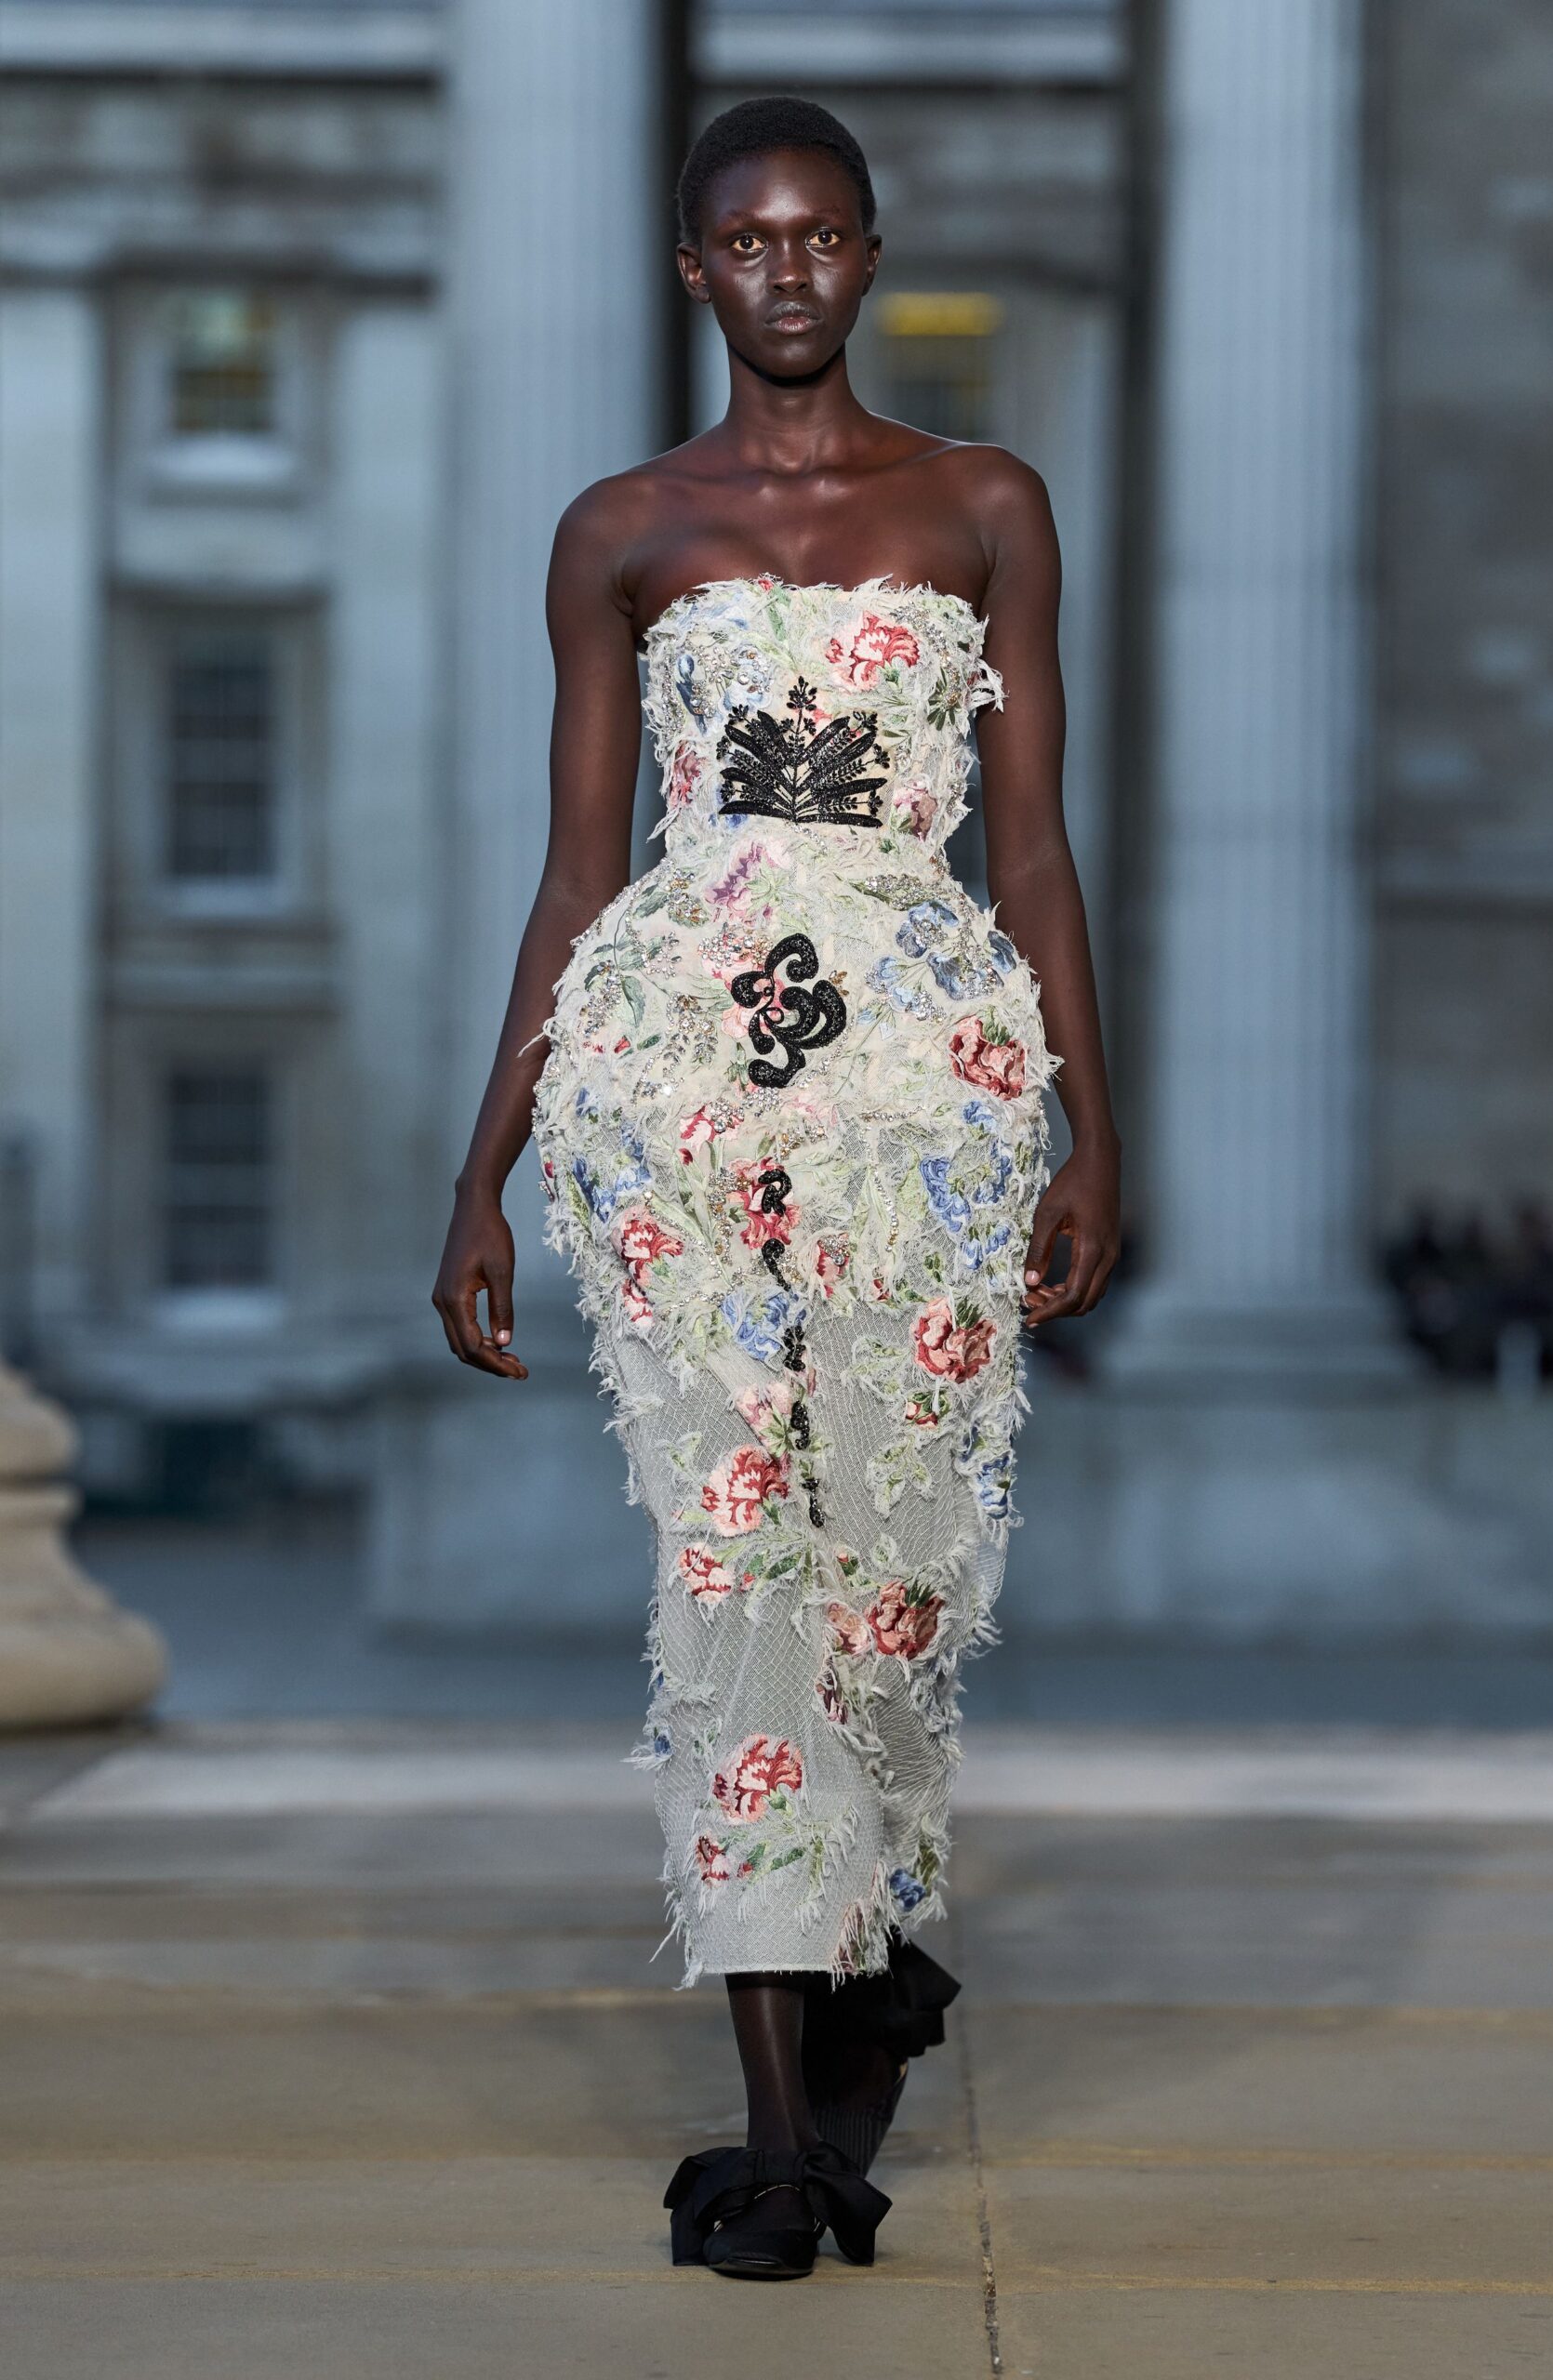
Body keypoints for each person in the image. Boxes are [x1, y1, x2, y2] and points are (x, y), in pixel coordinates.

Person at [432, 96, 1121, 2278]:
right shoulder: (620, 528)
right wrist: (484, 1167)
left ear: (870, 255)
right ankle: (774, 2139)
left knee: (891, 1566)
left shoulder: (982, 503)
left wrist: (1090, 1128)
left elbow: (1028, 844)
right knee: (730, 1554)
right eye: (749, 241)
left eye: (822, 236)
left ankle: (866, 1942)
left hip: (928, 1092)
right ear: (694, 270)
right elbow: (576, 871)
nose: (788, 270)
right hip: (672, 1086)